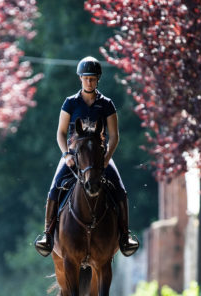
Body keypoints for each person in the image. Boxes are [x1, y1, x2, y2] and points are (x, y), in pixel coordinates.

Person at [34, 56, 138, 257]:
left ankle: (125, 236)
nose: (89, 82)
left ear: (98, 79)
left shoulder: (107, 104)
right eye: (86, 78)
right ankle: (47, 234)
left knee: (120, 190)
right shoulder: (70, 103)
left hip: (100, 156)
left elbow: (114, 135)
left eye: (92, 79)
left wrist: (107, 157)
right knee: (55, 187)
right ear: (80, 79)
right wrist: (66, 155)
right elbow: (61, 133)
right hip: (74, 155)